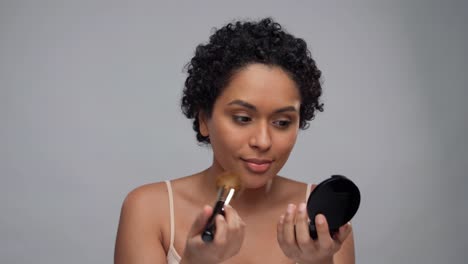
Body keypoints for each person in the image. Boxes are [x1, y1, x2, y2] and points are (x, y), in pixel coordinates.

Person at [114, 17, 355, 264]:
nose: (262, 141)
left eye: (282, 122)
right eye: (242, 118)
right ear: (204, 120)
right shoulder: (149, 209)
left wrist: (318, 262)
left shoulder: (322, 215)